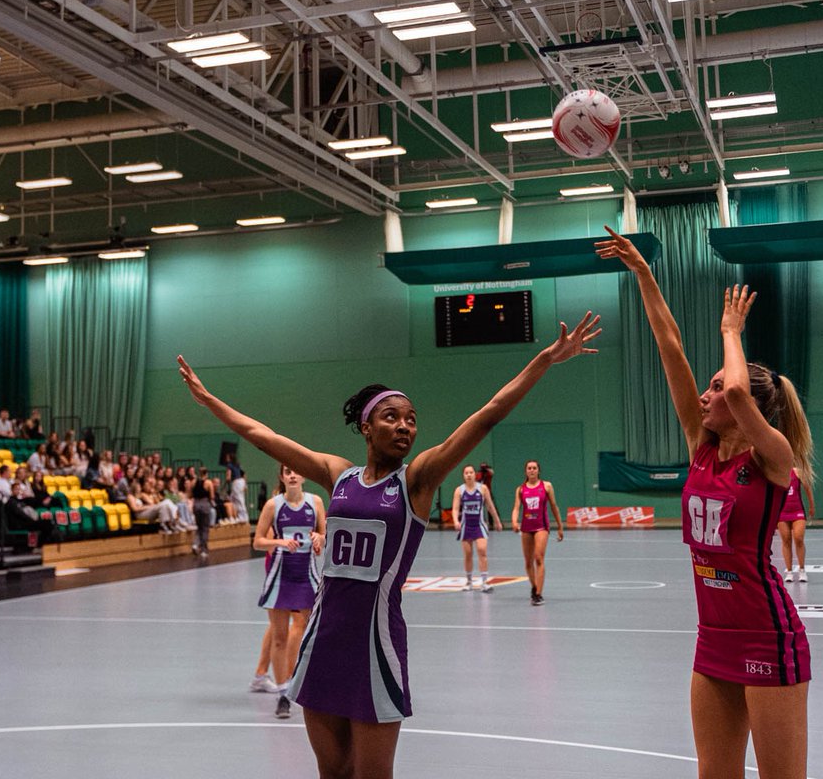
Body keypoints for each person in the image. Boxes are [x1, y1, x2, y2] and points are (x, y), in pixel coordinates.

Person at [176, 311, 599, 779]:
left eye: (411, 420)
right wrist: (209, 400)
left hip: (376, 645)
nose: (404, 426)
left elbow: (488, 416)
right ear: (366, 426)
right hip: (322, 639)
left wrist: (544, 360)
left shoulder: (417, 480)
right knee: (332, 772)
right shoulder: (339, 475)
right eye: (391, 417)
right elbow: (264, 437)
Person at [597, 225, 813, 779]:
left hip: (768, 634)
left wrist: (731, 331)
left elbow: (739, 390)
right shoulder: (701, 446)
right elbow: (669, 347)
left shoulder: (772, 455)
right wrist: (643, 273)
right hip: (713, 637)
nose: (706, 394)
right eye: (710, 386)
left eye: (714, 387)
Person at [253, 465, 326, 719]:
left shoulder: (315, 502)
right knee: (279, 637)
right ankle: (283, 693)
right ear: (282, 477)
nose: (293, 475)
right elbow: (257, 541)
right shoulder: (273, 506)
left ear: (303, 475)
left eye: (296, 471)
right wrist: (279, 542)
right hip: (280, 577)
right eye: (287, 472)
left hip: (307, 576)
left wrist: (319, 539)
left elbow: (324, 534)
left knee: (311, 633)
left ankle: (306, 683)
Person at [509, 459, 564, 605]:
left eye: (534, 468)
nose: (532, 470)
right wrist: (514, 521)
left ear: (538, 470)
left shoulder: (546, 486)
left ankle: (539, 594)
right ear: (526, 471)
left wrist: (560, 526)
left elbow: (554, 506)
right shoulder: (521, 489)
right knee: (528, 562)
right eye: (529, 468)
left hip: (541, 527)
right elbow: (516, 508)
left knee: (538, 558)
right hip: (526, 527)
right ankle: (534, 587)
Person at [452, 464, 503, 593]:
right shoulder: (459, 490)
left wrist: (497, 521)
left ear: (475, 475)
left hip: (479, 525)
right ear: (463, 476)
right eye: (466, 473)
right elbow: (455, 508)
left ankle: (484, 582)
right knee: (468, 554)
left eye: (471, 472)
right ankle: (469, 581)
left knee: (482, 551)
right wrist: (456, 521)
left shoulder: (482, 489)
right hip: (466, 526)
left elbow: (490, 506)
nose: (469, 475)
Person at [777, 468, 815, 583]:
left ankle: (802, 570)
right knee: (786, 540)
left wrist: (811, 505)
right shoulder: (776, 472)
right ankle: (789, 572)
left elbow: (807, 488)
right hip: (782, 512)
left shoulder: (797, 472)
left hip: (797, 510)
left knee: (799, 538)